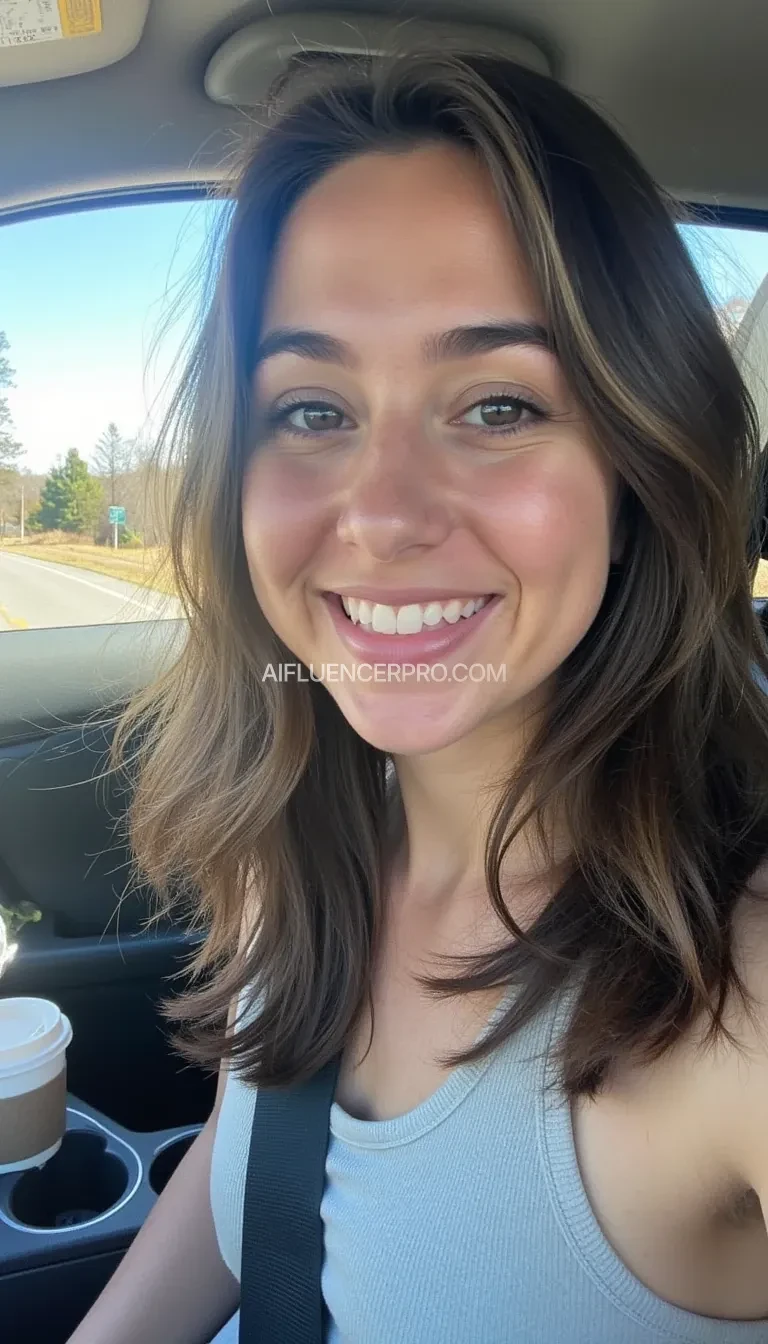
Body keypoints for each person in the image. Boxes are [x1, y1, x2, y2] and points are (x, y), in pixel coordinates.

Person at [68, 49, 768, 1344]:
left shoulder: (737, 991)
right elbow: (246, 1187)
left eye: (498, 404)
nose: (382, 515)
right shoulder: (303, 840)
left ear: (639, 475)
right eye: (314, 408)